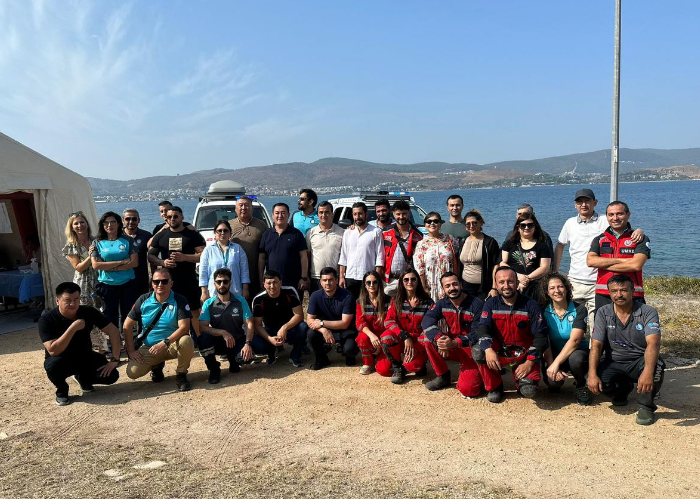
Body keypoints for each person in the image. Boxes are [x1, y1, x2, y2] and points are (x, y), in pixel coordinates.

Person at [554, 189, 644, 329]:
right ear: (575, 205)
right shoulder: (570, 223)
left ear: (595, 203)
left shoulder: (604, 220)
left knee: (598, 325)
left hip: (598, 284)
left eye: (587, 201)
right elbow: (560, 246)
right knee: (571, 322)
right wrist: (555, 271)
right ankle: (573, 350)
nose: (583, 204)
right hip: (574, 281)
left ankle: (594, 350)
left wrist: (639, 231)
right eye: (579, 202)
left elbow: (621, 227)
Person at [587, 275, 664, 425]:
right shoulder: (603, 312)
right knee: (598, 382)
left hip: (639, 360)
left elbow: (653, 343)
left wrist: (647, 372)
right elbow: (596, 345)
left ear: (633, 291)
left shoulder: (648, 311)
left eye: (624, 290)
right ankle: (623, 389)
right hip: (614, 360)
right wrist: (591, 374)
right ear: (609, 293)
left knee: (656, 368)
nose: (619, 294)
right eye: (614, 291)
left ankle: (646, 406)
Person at [471, 266, 549, 402]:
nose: (506, 286)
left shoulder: (531, 304)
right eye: (501, 282)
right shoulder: (490, 304)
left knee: (528, 392)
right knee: (479, 350)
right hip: (500, 351)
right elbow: (482, 328)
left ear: (517, 283)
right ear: (496, 284)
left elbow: (541, 336)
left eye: (510, 281)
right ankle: (495, 387)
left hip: (524, 354)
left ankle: (522, 383)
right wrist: (488, 349)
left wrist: (530, 362)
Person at [39, 282, 121, 406]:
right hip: (61, 359)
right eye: (68, 300)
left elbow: (113, 331)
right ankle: (62, 390)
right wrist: (72, 328)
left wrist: (115, 359)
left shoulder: (87, 311)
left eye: (76, 299)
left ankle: (83, 379)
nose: (73, 304)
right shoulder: (47, 320)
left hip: (84, 356)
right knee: (53, 366)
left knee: (112, 375)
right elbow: (53, 350)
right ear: (58, 301)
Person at [199, 268, 277, 383]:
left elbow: (250, 323)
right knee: (202, 339)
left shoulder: (240, 301)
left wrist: (247, 344)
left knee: (248, 357)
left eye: (225, 281)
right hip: (218, 342)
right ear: (214, 284)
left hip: (237, 340)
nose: (222, 285)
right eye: (219, 282)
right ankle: (214, 369)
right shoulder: (208, 303)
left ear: (230, 283)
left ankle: (234, 360)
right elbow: (202, 326)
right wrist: (222, 332)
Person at [123, 269, 195, 392]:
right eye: (156, 282)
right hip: (150, 347)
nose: (160, 284)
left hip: (171, 344)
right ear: (152, 284)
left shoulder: (180, 300)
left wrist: (165, 343)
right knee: (132, 372)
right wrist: (131, 351)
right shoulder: (143, 300)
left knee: (187, 341)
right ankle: (156, 366)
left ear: (171, 283)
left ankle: (181, 374)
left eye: (164, 281)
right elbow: (127, 325)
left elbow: (184, 327)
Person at [420, 272, 485, 395]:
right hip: (450, 346)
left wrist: (456, 343)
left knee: (469, 390)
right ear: (443, 289)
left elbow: (479, 332)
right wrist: (441, 339)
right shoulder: (441, 303)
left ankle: (477, 374)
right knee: (427, 339)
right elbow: (427, 321)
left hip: (469, 348)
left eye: (455, 284)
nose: (452, 288)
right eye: (447, 286)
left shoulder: (476, 304)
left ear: (461, 285)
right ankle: (443, 376)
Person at [148, 206, 206, 336]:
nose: (172, 219)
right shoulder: (161, 235)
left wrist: (185, 257)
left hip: (188, 279)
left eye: (175, 216)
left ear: (182, 217)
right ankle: (174, 336)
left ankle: (197, 338)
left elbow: (204, 254)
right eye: (169, 217)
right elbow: (150, 255)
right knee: (170, 309)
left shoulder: (192, 235)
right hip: (167, 281)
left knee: (194, 311)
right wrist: (162, 262)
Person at [587, 201, 651, 312]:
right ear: (606, 216)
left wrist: (603, 264)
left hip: (632, 293)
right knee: (604, 329)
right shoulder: (599, 239)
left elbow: (636, 265)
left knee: (633, 328)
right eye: (611, 215)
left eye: (619, 214)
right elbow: (591, 261)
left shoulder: (640, 239)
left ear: (628, 215)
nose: (615, 218)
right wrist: (623, 261)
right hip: (604, 294)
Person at [540, 272, 591, 405]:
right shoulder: (543, 311)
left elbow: (575, 341)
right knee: (553, 383)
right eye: (552, 288)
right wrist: (552, 364)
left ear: (567, 288)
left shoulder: (579, 309)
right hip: (554, 354)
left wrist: (556, 364)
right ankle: (556, 376)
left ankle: (581, 385)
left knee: (576, 358)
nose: (557, 290)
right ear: (547, 292)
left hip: (578, 353)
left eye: (560, 286)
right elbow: (545, 340)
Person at [377, 269, 433, 384]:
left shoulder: (428, 302)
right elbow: (388, 321)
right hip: (402, 338)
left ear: (418, 281)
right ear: (401, 282)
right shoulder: (396, 300)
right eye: (406, 279)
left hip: (418, 341)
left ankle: (420, 364)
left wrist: (417, 347)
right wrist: (404, 336)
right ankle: (397, 367)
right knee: (383, 369)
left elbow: (431, 325)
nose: (409, 282)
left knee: (412, 366)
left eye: (413, 279)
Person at [90, 212, 139, 339]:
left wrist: (108, 266)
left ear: (118, 224)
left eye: (113, 222)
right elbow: (96, 265)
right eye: (106, 222)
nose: (109, 225)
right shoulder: (97, 242)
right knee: (109, 317)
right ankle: (113, 345)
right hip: (107, 285)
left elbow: (134, 262)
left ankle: (129, 343)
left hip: (127, 284)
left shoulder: (128, 240)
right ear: (102, 225)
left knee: (128, 316)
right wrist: (121, 262)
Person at [252, 269, 309, 368]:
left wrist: (284, 328)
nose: (272, 286)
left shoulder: (289, 291)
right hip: (270, 330)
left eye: (275, 282)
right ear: (264, 284)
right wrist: (270, 339)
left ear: (281, 282)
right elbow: (257, 325)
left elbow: (299, 315)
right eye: (269, 283)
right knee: (256, 343)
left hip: (289, 329)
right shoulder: (258, 299)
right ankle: (271, 351)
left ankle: (295, 355)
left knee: (303, 326)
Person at [306, 267, 358, 370]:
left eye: (330, 280)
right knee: (311, 334)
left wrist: (322, 323)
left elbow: (345, 323)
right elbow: (309, 319)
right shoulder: (315, 296)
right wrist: (323, 329)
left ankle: (347, 354)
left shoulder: (347, 296)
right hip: (326, 328)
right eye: (324, 280)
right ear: (320, 282)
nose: (327, 283)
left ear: (336, 280)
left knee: (350, 350)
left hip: (346, 329)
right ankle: (321, 359)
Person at [258, 203, 309, 294]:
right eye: (277, 213)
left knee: (294, 308)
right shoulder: (266, 234)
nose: (280, 216)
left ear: (288, 215)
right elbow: (261, 258)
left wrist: (303, 278)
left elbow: (304, 257)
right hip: (272, 284)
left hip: (293, 282)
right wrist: (261, 279)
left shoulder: (297, 234)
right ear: (272, 215)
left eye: (283, 213)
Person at [500, 213, 552, 302]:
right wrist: (517, 276)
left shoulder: (542, 245)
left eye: (530, 225)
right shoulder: (510, 243)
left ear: (535, 227)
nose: (527, 228)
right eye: (523, 225)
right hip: (513, 285)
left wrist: (527, 279)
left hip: (535, 287)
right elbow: (503, 263)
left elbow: (545, 267)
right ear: (518, 227)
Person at [338, 202, 385, 299]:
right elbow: (343, 256)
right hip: (350, 278)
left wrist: (376, 278)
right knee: (351, 308)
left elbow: (380, 258)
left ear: (366, 214)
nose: (357, 217)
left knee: (368, 308)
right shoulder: (348, 232)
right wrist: (341, 277)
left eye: (360, 213)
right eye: (355, 214)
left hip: (368, 278)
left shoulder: (376, 232)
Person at [199, 219, 250, 304]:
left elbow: (244, 271)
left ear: (230, 233)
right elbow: (203, 273)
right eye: (219, 231)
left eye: (225, 230)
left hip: (235, 292)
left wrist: (245, 289)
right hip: (214, 293)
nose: (222, 233)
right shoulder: (208, 250)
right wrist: (204, 292)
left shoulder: (238, 249)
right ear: (215, 233)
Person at [412, 212, 458, 303]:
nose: (432, 223)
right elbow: (420, 268)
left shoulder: (450, 239)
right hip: (431, 284)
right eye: (429, 221)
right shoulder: (421, 244)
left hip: (449, 283)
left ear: (440, 224)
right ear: (425, 225)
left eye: (436, 221)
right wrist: (424, 287)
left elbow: (457, 260)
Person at [457, 210, 501, 300]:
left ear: (480, 223)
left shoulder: (490, 242)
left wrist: (494, 287)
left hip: (484, 287)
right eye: (468, 224)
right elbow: (460, 264)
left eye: (474, 223)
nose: (471, 226)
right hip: (465, 286)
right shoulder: (463, 241)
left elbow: (496, 265)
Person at [381, 200, 423, 296]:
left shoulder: (417, 235)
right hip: (389, 280)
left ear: (409, 213)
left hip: (408, 281)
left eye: (404, 214)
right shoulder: (385, 232)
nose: (401, 217)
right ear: (393, 214)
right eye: (398, 214)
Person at [230, 195, 268, 299]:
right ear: (235, 208)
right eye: (240, 205)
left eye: (246, 205)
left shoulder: (261, 226)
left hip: (255, 275)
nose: (243, 208)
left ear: (252, 208)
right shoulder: (229, 226)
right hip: (234, 276)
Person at [62, 211, 100, 309]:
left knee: (102, 311)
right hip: (84, 283)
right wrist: (90, 256)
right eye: (76, 223)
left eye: (82, 222)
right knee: (85, 312)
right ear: (72, 228)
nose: (80, 225)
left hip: (100, 280)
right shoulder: (71, 246)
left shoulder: (97, 241)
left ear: (87, 224)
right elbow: (79, 268)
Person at [355, 270, 390, 375]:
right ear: (364, 285)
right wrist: (372, 336)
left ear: (379, 284)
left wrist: (381, 342)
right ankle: (368, 363)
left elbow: (390, 322)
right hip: (370, 337)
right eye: (368, 282)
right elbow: (360, 322)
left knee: (384, 371)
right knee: (362, 337)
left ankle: (383, 357)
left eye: (375, 282)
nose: (371, 285)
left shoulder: (388, 301)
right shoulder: (360, 301)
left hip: (384, 337)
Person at [306, 201, 344, 292]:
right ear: (318, 214)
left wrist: (342, 276)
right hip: (316, 278)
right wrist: (306, 277)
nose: (324, 215)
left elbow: (344, 257)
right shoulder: (311, 233)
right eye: (321, 212)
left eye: (327, 212)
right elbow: (307, 257)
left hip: (335, 278)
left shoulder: (342, 232)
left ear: (332, 214)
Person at [122, 208, 153, 295]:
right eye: (128, 219)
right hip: (121, 279)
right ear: (123, 221)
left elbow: (152, 257)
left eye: (134, 219)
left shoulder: (146, 235)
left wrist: (154, 276)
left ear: (138, 220)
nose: (131, 221)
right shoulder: (117, 235)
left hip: (141, 278)